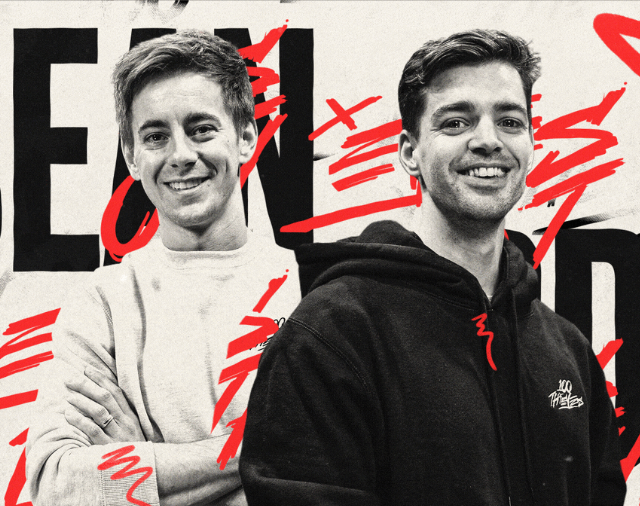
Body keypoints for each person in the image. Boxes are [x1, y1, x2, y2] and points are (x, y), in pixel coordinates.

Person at [239, 29, 626, 505]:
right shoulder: (332, 334)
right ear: (410, 153)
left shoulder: (566, 349)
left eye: (509, 121)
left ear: (530, 144)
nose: (488, 141)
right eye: (456, 122)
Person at [26, 30, 300, 506]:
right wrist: (263, 446)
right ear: (131, 156)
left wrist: (137, 467)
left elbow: (343, 468)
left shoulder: (310, 289)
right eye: (156, 137)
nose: (181, 156)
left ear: (245, 137)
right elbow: (56, 484)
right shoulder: (103, 303)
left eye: (201, 129)